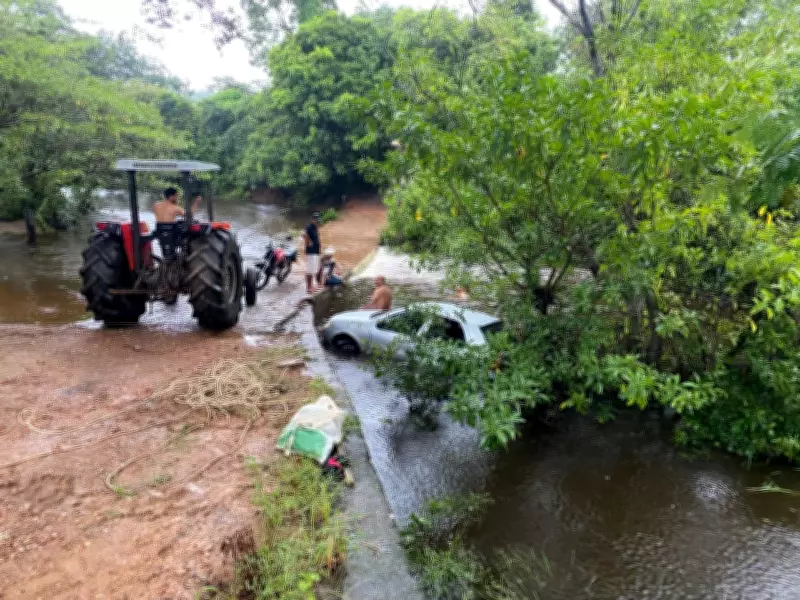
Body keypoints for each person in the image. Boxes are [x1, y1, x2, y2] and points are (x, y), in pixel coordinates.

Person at [301, 211, 322, 294]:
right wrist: (309, 241)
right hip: (311, 252)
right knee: (310, 270)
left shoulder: (316, 227)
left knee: (314, 269)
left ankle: (312, 286)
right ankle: (308, 288)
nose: (317, 221)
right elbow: (303, 234)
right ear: (312, 219)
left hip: (316, 251)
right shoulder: (309, 226)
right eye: (315, 219)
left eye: (318, 219)